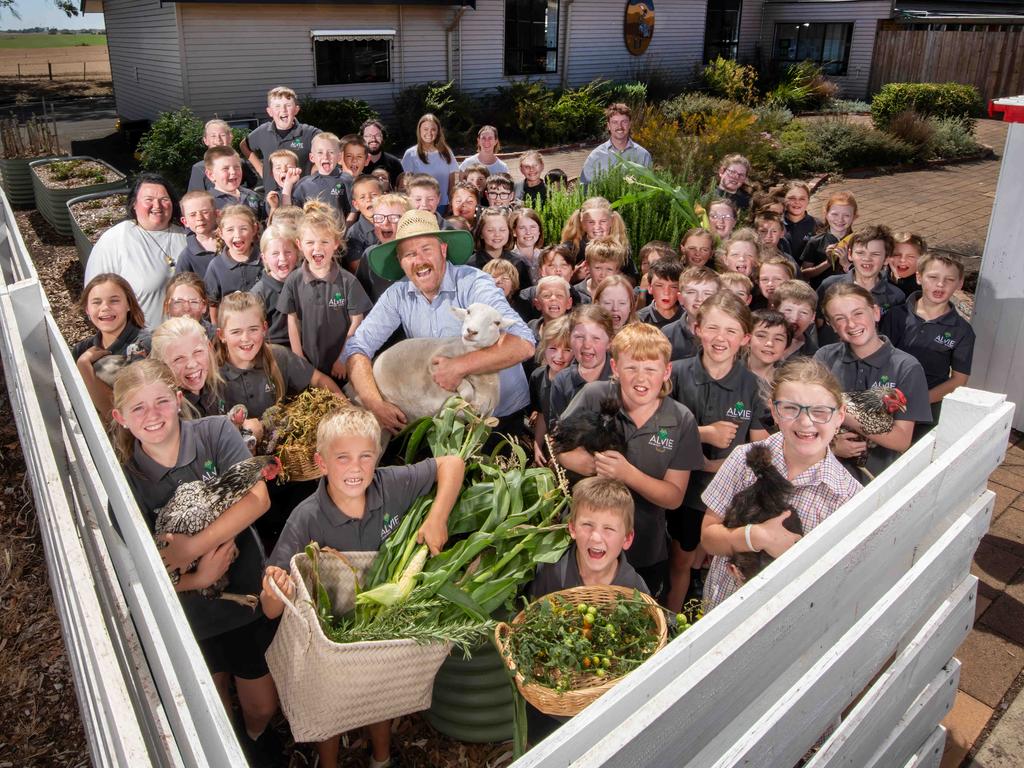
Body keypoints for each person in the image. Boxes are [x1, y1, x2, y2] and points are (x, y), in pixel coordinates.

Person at [260, 406, 464, 768]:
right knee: (328, 701)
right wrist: (277, 587)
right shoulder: (307, 517)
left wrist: (437, 517)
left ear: (377, 457)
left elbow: (452, 464)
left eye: (365, 457)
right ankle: (330, 762)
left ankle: (381, 758)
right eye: (342, 458)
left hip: (380, 624)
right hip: (329, 632)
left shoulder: (391, 485)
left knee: (378, 691)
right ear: (321, 463)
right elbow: (271, 609)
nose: (355, 469)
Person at [110, 360, 280, 762]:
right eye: (138, 408)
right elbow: (141, 572)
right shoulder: (127, 478)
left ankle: (256, 738)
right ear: (120, 417)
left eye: (161, 402)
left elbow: (258, 499)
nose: (152, 416)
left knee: (261, 706)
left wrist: (190, 548)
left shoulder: (215, 432)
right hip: (186, 614)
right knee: (213, 703)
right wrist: (198, 574)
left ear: (178, 400)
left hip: (245, 597)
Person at [342, 209, 535, 433]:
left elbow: (523, 343)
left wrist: (458, 367)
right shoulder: (397, 295)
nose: (419, 261)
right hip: (443, 423)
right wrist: (374, 403)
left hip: (500, 415)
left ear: (443, 250)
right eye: (409, 254)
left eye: (426, 249)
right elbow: (357, 348)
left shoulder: (474, 283)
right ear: (400, 261)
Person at [699, 358, 861, 611]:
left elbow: (836, 582)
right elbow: (708, 538)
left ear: (840, 416)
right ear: (774, 412)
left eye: (820, 411)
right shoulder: (745, 458)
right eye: (790, 409)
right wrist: (756, 537)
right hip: (722, 605)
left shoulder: (847, 497)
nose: (806, 422)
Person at [556, 322, 703, 598]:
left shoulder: (681, 419)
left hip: (645, 545)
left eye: (651, 369)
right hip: (588, 541)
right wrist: (591, 466)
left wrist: (627, 474)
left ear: (666, 371)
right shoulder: (595, 396)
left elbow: (674, 497)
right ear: (614, 368)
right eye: (631, 367)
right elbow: (559, 448)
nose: (641, 377)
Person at [665, 291, 769, 610]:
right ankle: (671, 619)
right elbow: (655, 432)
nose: (720, 338)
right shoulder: (676, 373)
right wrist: (704, 437)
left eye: (731, 330)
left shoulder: (751, 386)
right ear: (697, 329)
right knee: (680, 560)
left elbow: (760, 447)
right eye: (712, 328)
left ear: (745, 338)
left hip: (727, 497)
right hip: (683, 492)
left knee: (716, 562)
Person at [815, 284, 931, 478]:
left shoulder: (907, 367)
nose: (851, 324)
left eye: (858, 313)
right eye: (840, 319)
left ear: (876, 312)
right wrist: (831, 445)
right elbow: (809, 416)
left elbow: (901, 439)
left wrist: (844, 410)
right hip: (825, 469)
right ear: (833, 326)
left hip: (877, 477)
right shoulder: (824, 357)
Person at [215, 291, 340, 432]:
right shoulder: (213, 374)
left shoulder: (279, 356)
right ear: (221, 335)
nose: (246, 338)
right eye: (236, 332)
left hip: (281, 441)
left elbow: (318, 379)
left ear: (264, 328)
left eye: (253, 329)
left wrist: (344, 407)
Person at [880, 252, 974, 437]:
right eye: (933, 277)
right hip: (885, 403)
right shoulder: (895, 315)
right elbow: (878, 358)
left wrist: (919, 401)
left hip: (926, 412)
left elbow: (958, 380)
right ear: (919, 277)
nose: (940, 284)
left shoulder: (962, 331)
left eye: (949, 279)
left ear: (959, 284)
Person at [279, 202, 371, 380]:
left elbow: (357, 321)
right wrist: (298, 356)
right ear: (299, 244)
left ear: (336, 243)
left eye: (324, 241)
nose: (317, 248)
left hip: (341, 366)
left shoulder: (348, 281)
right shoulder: (294, 280)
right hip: (309, 364)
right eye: (310, 242)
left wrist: (343, 358)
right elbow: (292, 320)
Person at [84, 173, 188, 330]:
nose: (157, 205)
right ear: (134, 204)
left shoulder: (187, 236)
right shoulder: (116, 240)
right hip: (140, 343)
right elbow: (95, 300)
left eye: (164, 199)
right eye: (149, 200)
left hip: (187, 339)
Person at [530, 476, 648, 597]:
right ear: (572, 528)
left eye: (608, 529)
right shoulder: (549, 573)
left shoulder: (636, 591)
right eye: (587, 525)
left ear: (627, 538)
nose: (595, 538)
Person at [73, 273, 150, 417]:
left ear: (128, 304)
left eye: (114, 301)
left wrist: (85, 368)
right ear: (87, 310)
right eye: (96, 302)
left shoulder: (143, 345)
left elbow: (121, 415)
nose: (105, 308)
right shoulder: (81, 349)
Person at [817, 224, 906, 347]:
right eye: (860, 253)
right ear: (850, 255)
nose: (867, 259)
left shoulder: (896, 296)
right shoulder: (830, 285)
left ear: (886, 259)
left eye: (875, 254)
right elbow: (817, 322)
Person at [241, 86, 321, 194]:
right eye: (277, 106)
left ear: (296, 109)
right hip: (272, 198)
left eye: (288, 105)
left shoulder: (309, 133)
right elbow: (244, 145)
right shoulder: (263, 131)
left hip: (302, 198)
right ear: (269, 111)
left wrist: (315, 171)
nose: (283, 110)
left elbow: (331, 147)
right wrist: (261, 169)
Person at [547, 305, 615, 426]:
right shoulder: (562, 381)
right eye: (579, 337)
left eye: (596, 338)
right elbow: (557, 428)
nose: (587, 345)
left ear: (609, 342)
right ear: (569, 337)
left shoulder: (621, 379)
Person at [151, 317, 225, 417]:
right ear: (161, 365)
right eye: (179, 359)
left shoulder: (219, 385)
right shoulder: (170, 413)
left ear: (209, 347)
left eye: (197, 352)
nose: (192, 364)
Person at [204, 205, 263, 323]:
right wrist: (218, 332)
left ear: (254, 229)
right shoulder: (216, 266)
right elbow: (212, 304)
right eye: (230, 230)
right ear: (221, 233)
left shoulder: (265, 260)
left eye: (243, 229)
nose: (237, 235)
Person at [530, 316, 573, 466]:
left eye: (567, 350)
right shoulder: (538, 376)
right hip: (550, 446)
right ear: (544, 347)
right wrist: (538, 444)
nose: (559, 356)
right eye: (553, 348)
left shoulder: (577, 381)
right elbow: (542, 413)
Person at [251, 221, 301, 347]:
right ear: (264, 258)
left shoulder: (305, 282)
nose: (283, 258)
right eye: (275, 254)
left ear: (297, 253)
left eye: (288, 252)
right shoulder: (259, 293)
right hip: (275, 350)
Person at [580, 103, 652, 185]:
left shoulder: (643, 156)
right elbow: (584, 189)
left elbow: (649, 185)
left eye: (624, 122)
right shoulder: (595, 156)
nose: (619, 126)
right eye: (615, 122)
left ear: (630, 124)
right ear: (608, 126)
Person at [400, 114, 460, 210]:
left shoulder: (446, 152)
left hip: (443, 205)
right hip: (420, 207)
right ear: (419, 131)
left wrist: (451, 201)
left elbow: (452, 180)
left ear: (438, 132)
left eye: (433, 129)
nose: (429, 132)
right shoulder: (410, 154)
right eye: (425, 129)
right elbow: (405, 183)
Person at [800, 191, 857, 290]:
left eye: (846, 215)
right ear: (826, 214)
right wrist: (828, 262)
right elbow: (804, 274)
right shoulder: (815, 241)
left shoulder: (858, 242)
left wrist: (846, 264)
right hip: (821, 295)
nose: (840, 219)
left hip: (850, 295)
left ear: (854, 217)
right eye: (835, 214)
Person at [290, 133, 351, 219]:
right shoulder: (303, 184)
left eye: (331, 152)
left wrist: (346, 231)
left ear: (339, 157)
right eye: (320, 152)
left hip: (338, 231)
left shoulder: (347, 180)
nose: (325, 156)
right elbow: (293, 212)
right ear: (312, 157)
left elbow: (353, 211)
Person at [470, 207, 532, 289]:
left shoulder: (518, 263)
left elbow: (524, 295)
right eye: (490, 230)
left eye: (502, 230)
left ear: (509, 232)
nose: (497, 234)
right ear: (481, 233)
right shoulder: (470, 265)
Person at [204, 146, 264, 220]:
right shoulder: (206, 203)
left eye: (237, 167)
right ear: (211, 175)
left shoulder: (252, 196)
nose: (233, 172)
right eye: (225, 168)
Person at [344, 174, 385, 271]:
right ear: (356, 205)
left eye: (374, 195)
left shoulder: (394, 223)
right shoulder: (354, 234)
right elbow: (357, 268)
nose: (368, 199)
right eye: (362, 197)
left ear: (384, 197)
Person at [176, 190, 220, 278]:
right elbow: (182, 286)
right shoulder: (186, 257)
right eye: (193, 215)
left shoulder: (230, 242)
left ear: (217, 214)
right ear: (185, 221)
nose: (199, 218)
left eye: (205, 212)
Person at [773, 279, 819, 360]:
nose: (794, 318)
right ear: (775, 310)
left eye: (803, 312)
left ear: (812, 317)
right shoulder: (754, 341)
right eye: (788, 310)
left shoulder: (815, 356)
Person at [747, 308, 793, 388]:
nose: (770, 343)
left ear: (786, 347)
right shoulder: (729, 374)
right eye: (761, 336)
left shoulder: (788, 381)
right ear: (747, 340)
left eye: (778, 339)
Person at [575, 238, 627, 304]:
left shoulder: (622, 293)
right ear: (587, 266)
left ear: (617, 270)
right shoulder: (575, 293)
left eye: (609, 269)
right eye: (598, 268)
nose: (603, 274)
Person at [163, 272, 215, 338]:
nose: (186, 308)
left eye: (194, 302)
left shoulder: (217, 339)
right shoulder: (153, 343)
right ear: (167, 307)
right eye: (178, 302)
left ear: (204, 306)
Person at [638, 258, 683, 328]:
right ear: (650, 288)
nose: (666, 292)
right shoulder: (639, 320)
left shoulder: (689, 318)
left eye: (673, 287)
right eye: (659, 286)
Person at [361, 119, 404, 189]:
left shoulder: (394, 163)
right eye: (368, 136)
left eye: (377, 135)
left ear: (383, 138)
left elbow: (401, 190)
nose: (373, 139)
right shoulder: (357, 164)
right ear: (362, 139)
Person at [782, 181, 818, 258]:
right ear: (784, 199)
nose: (797, 202)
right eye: (792, 198)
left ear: (808, 200)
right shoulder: (776, 224)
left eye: (802, 199)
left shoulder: (817, 225)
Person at [888, 232, 927, 298]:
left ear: (921, 260)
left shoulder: (921, 289)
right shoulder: (879, 276)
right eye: (897, 255)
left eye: (910, 256)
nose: (902, 260)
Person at [510, 208, 544, 280]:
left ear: (539, 231)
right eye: (522, 228)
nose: (528, 232)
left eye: (533, 227)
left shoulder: (547, 257)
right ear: (514, 232)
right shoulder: (508, 260)